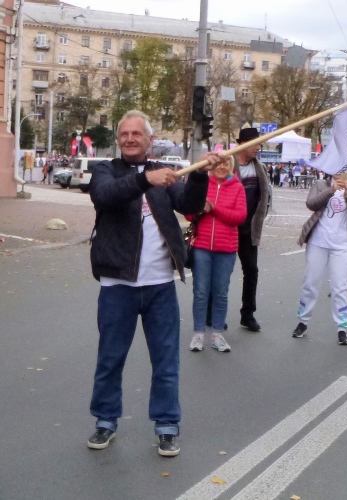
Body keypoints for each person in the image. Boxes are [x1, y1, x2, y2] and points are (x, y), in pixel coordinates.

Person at [87, 110, 217, 457]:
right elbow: (106, 196)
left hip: (160, 286)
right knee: (110, 359)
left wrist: (201, 174)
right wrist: (147, 179)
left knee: (166, 361)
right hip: (117, 285)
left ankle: (167, 425)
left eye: (136, 134)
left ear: (150, 139)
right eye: (124, 134)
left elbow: (190, 205)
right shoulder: (105, 171)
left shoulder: (164, 173)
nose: (130, 139)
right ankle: (105, 420)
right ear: (119, 139)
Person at [292, 172, 347, 346]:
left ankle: (342, 328)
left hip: (342, 245)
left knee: (341, 287)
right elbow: (311, 204)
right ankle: (303, 321)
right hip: (318, 242)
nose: (339, 170)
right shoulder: (320, 185)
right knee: (310, 283)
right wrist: (331, 190)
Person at [187, 157, 247, 353]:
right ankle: (198, 334)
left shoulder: (237, 187)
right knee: (200, 292)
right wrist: (199, 209)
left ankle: (217, 334)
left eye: (226, 164)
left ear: (231, 166)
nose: (221, 167)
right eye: (218, 163)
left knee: (221, 293)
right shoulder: (203, 183)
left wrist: (214, 208)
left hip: (226, 249)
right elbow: (188, 213)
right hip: (202, 246)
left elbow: (239, 217)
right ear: (210, 166)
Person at [235, 125, 270, 332]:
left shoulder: (259, 168)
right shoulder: (228, 165)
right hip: (228, 227)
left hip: (249, 229)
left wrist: (258, 218)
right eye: (255, 143)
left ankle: (247, 314)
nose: (258, 147)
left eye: (259, 144)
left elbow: (264, 197)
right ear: (242, 144)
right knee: (221, 273)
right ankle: (213, 313)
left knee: (251, 270)